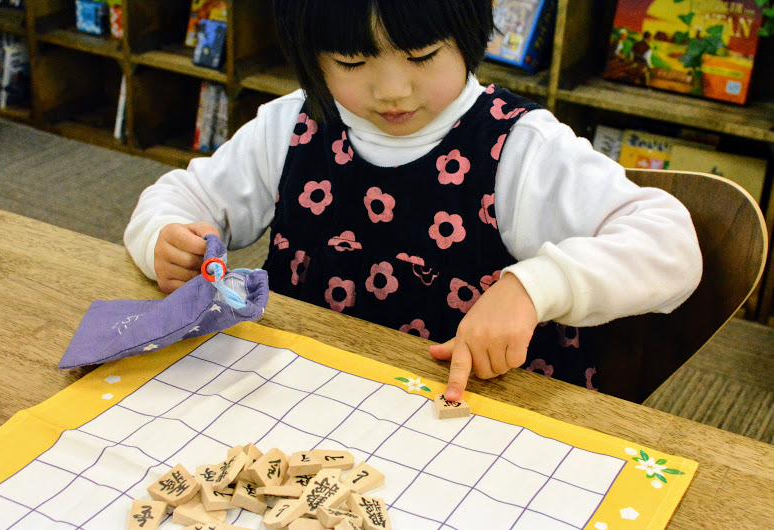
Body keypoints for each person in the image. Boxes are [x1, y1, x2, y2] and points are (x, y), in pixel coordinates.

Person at [125, 0, 701, 402]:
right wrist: (165, 237)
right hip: (304, 396)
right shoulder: (293, 124)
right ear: (311, 56)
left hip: (471, 421)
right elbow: (180, 196)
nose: (392, 90)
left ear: (470, 33)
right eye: (352, 64)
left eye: (423, 55)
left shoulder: (520, 147)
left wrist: (537, 287)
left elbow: (670, 244)